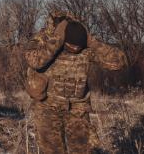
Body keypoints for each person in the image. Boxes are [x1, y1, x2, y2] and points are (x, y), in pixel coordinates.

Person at [24, 11, 127, 154]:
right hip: (47, 106)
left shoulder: (85, 42)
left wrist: (92, 41)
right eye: (70, 47)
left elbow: (119, 61)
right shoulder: (44, 39)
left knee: (83, 150)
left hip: (78, 108)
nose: (75, 50)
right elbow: (35, 61)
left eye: (77, 48)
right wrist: (56, 41)